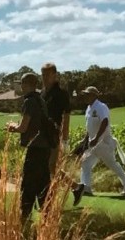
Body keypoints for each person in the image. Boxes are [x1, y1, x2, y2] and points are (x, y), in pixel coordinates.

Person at [7, 73, 51, 222]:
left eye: (21, 83)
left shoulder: (29, 101)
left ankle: (24, 217)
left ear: (26, 84)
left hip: (35, 148)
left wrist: (13, 127)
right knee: (43, 183)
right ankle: (47, 217)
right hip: (45, 148)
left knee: (28, 184)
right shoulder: (40, 100)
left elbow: (23, 127)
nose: (20, 86)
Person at [40, 63, 84, 206]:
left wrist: (64, 139)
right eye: (43, 75)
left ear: (55, 75)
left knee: (51, 166)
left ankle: (51, 198)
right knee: (49, 167)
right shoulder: (43, 93)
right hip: (43, 137)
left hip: (55, 136)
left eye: (47, 75)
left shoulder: (61, 94)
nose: (45, 78)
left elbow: (66, 115)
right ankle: (75, 187)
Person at [78, 86, 125, 196]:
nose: (85, 96)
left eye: (87, 94)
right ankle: (86, 188)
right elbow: (89, 127)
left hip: (103, 143)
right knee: (85, 163)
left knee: (112, 164)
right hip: (93, 144)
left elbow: (105, 122)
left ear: (94, 95)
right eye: (85, 94)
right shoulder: (88, 108)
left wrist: (96, 138)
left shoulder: (101, 107)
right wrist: (85, 140)